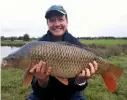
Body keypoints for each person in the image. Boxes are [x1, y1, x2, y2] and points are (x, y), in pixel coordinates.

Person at [26, 5, 98, 100]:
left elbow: (78, 87)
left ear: (67, 22)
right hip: (44, 94)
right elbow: (35, 87)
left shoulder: (78, 46)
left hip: (70, 94)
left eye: (60, 19)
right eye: (52, 20)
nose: (56, 24)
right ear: (48, 23)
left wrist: (80, 80)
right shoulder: (37, 46)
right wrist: (42, 81)